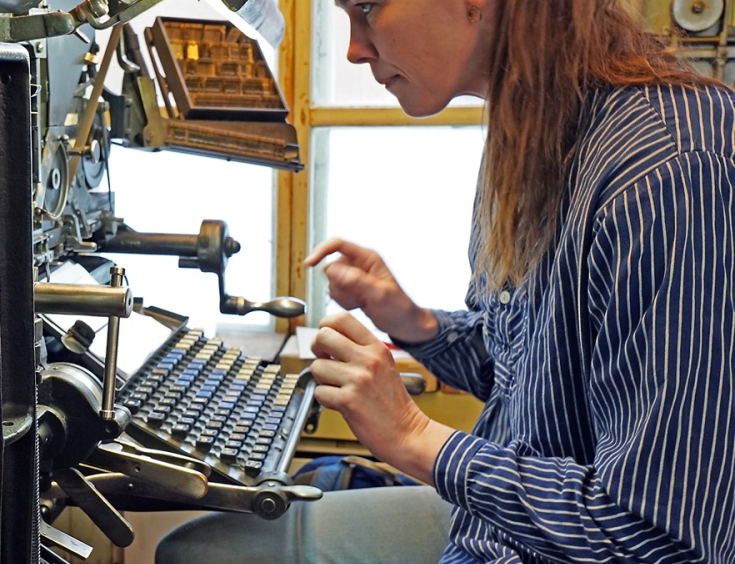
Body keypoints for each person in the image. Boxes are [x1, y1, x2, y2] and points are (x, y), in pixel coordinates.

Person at [156, 0, 735, 562]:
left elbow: (661, 538)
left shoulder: (670, 173)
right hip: (498, 528)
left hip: (550, 544)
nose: (355, 50)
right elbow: (537, 384)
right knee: (200, 548)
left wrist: (414, 437)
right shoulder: (534, 128)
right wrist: (413, 322)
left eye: (367, 7)